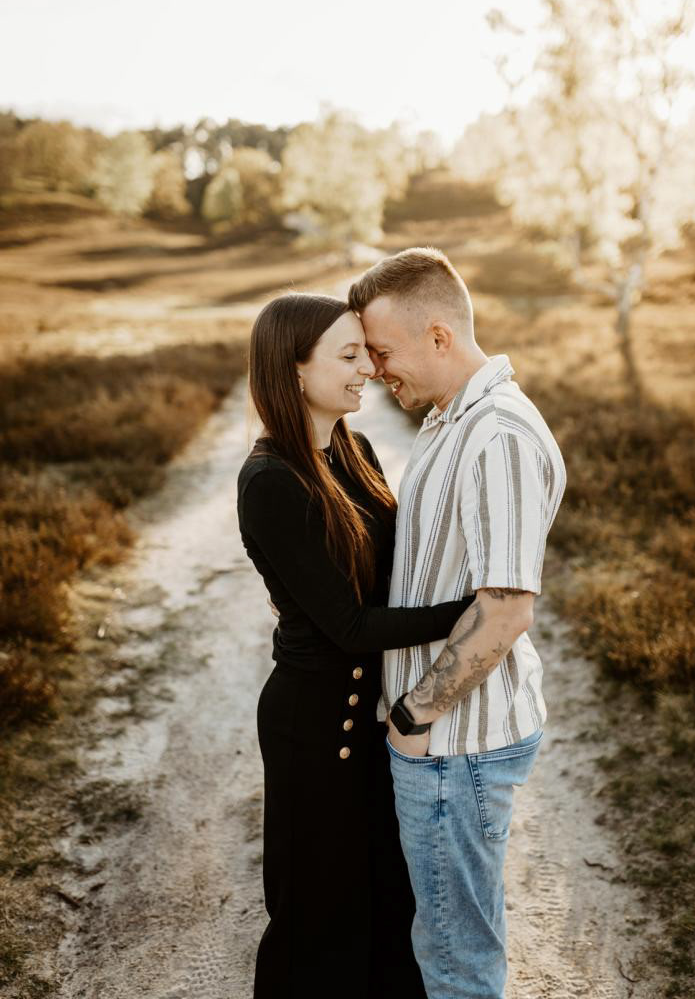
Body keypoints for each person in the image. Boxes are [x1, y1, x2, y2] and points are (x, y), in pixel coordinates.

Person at [236, 291, 475, 999]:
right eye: (347, 356)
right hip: (313, 727)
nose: (367, 368)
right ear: (293, 371)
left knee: (387, 899)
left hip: (370, 722)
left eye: (367, 353)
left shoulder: (354, 448)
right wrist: (471, 612)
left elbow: (398, 570)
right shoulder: (270, 482)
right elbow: (350, 626)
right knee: (317, 912)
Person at [348, 247, 567, 999]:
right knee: (442, 940)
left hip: (454, 748)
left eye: (384, 351)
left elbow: (506, 610)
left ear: (439, 336)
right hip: (443, 746)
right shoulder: (451, 418)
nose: (376, 370)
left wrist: (415, 713)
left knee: (456, 963)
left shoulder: (497, 434)